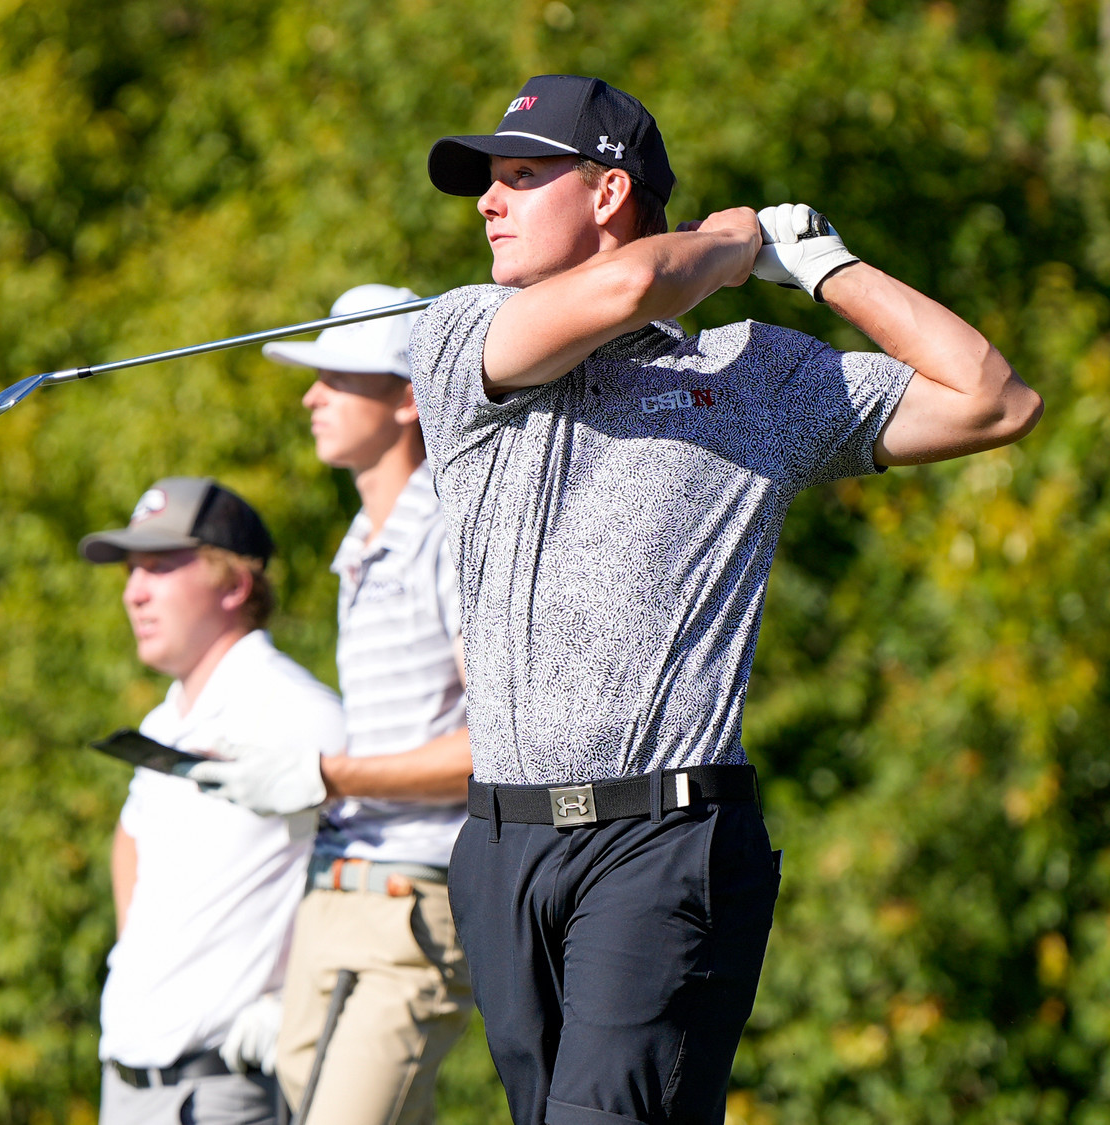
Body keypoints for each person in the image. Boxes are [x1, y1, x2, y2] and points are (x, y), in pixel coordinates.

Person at [405, 74, 1042, 1125]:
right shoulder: (460, 333)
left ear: (608, 194)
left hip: (663, 843)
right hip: (502, 848)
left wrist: (829, 270)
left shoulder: (757, 378)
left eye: (521, 178)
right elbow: (622, 294)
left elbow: (993, 397)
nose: (487, 202)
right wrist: (733, 244)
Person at [191, 285, 475, 1125]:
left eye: (339, 378)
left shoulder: (452, 532)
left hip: (412, 903)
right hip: (335, 901)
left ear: (409, 398)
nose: (311, 396)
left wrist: (324, 774)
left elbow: (500, 746)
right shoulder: (359, 547)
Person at [83, 477, 345, 1125]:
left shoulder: (298, 713)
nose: (133, 590)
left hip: (218, 1095)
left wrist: (298, 996)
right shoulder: (167, 717)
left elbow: (391, 856)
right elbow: (131, 837)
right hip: (127, 1084)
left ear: (234, 585)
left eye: (161, 566)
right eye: (132, 570)